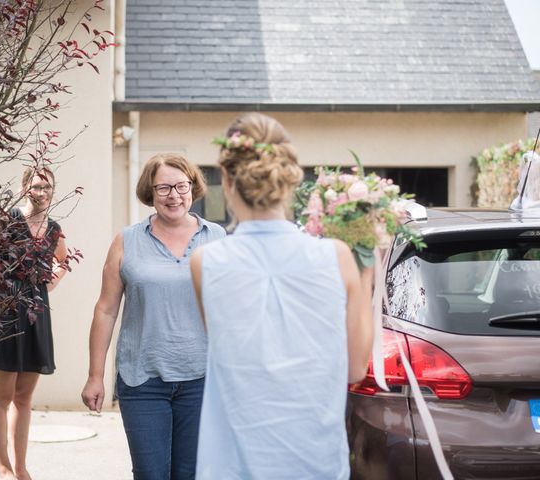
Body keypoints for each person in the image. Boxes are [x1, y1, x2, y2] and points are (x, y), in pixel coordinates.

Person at [190, 113, 374, 479]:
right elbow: (355, 369)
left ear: (226, 180)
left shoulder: (205, 262)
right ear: (289, 178)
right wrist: (367, 266)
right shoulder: (337, 257)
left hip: (232, 466)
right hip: (314, 464)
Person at [81, 153, 225, 480]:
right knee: (150, 474)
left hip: (201, 379)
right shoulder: (127, 241)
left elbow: (231, 310)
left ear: (193, 188)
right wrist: (95, 375)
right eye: (163, 188)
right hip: (142, 378)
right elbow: (105, 309)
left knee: (191, 474)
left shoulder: (216, 238)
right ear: (150, 191)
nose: (173, 195)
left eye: (181, 186)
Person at [0, 167, 68, 480]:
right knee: (1, 396)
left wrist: (46, 285)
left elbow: (63, 262)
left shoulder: (54, 229)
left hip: (36, 315)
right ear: (25, 188)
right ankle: (3, 469)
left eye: (46, 186)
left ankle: (21, 467)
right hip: (3, 312)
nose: (41, 191)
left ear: (53, 191)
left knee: (24, 398)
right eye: (36, 186)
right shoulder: (5, 220)